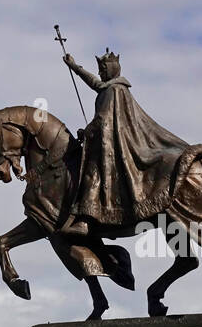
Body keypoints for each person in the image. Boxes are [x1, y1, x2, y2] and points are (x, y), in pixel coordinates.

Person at [59, 48, 190, 236]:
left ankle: (86, 220)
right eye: (99, 70)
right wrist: (74, 66)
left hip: (117, 146)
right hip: (116, 142)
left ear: (112, 69)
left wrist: (86, 132)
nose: (100, 73)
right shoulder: (113, 88)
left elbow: (103, 119)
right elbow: (96, 84)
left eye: (103, 70)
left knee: (92, 170)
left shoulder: (113, 90)